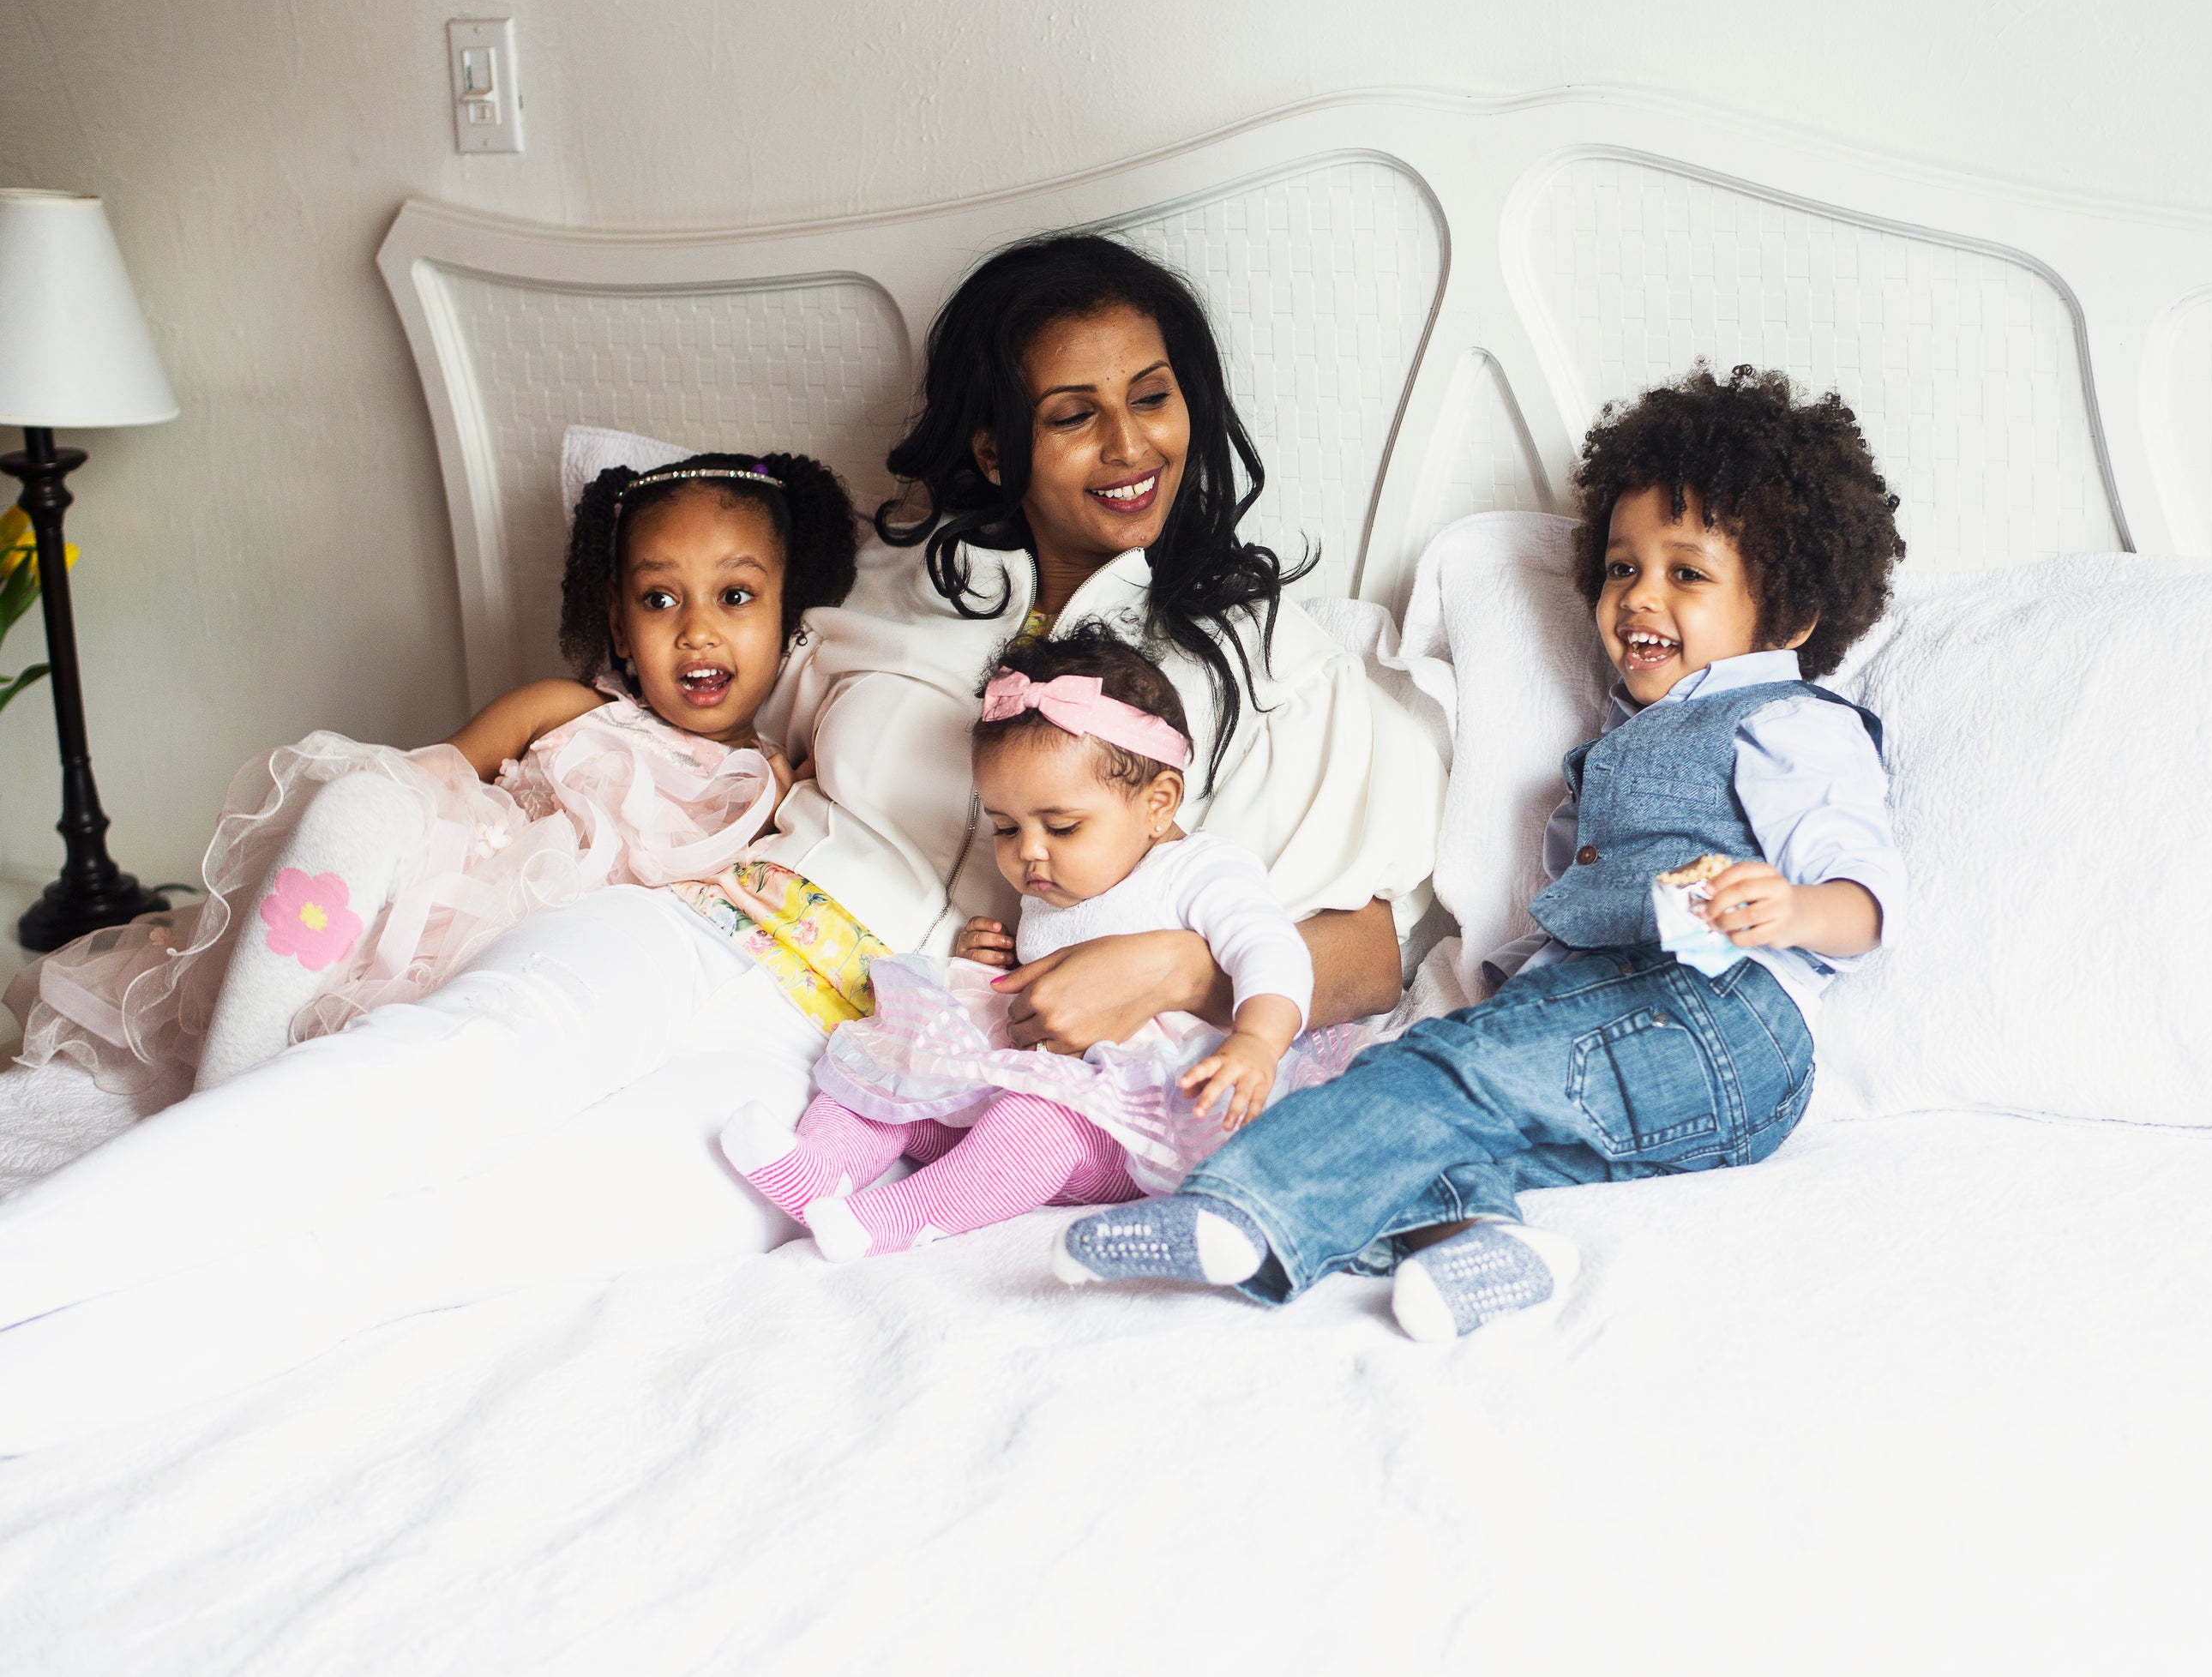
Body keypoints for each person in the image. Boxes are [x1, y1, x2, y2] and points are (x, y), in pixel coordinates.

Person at [0, 233, 1442, 1451]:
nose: (1130, 447)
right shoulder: (892, 589)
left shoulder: (1267, 657)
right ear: (998, 440)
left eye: (1154, 397)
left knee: (446, 1244)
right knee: (414, 1086)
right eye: (1075, 414)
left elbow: (1383, 946)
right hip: (705, 926)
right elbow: (704, 696)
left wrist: (1171, 963)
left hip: (853, 1075)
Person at [1055, 364, 1908, 1341]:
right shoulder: (1624, 730)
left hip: (1714, 1010)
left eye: (1686, 572)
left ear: (1790, 614)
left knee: (1433, 1073)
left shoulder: (1787, 719)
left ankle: (1238, 1210)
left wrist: (1799, 910)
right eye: (1621, 566)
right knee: (1456, 1105)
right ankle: (1482, 1240)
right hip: (1669, 1072)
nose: (1636, 597)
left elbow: (1867, 890)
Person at [7, 450, 855, 1099]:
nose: (698, 629)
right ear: (619, 627)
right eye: (660, 599)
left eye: (735, 596)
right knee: (366, 797)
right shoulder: (564, 704)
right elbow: (434, 776)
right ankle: (227, 1093)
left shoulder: (772, 783)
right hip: (420, 909)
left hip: (544, 968)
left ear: (787, 616)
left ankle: (287, 1099)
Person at [724, 627, 1358, 1260]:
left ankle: (898, 1216)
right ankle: (819, 1169)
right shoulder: (1054, 883)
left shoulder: (1198, 872)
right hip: (1043, 1079)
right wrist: (993, 963)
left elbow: (1273, 951)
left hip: (1136, 1126)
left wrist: (1257, 1041)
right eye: (1004, 826)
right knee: (899, 1065)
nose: (1028, 850)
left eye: (1061, 825)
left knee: (1031, 1126)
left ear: (1158, 804)